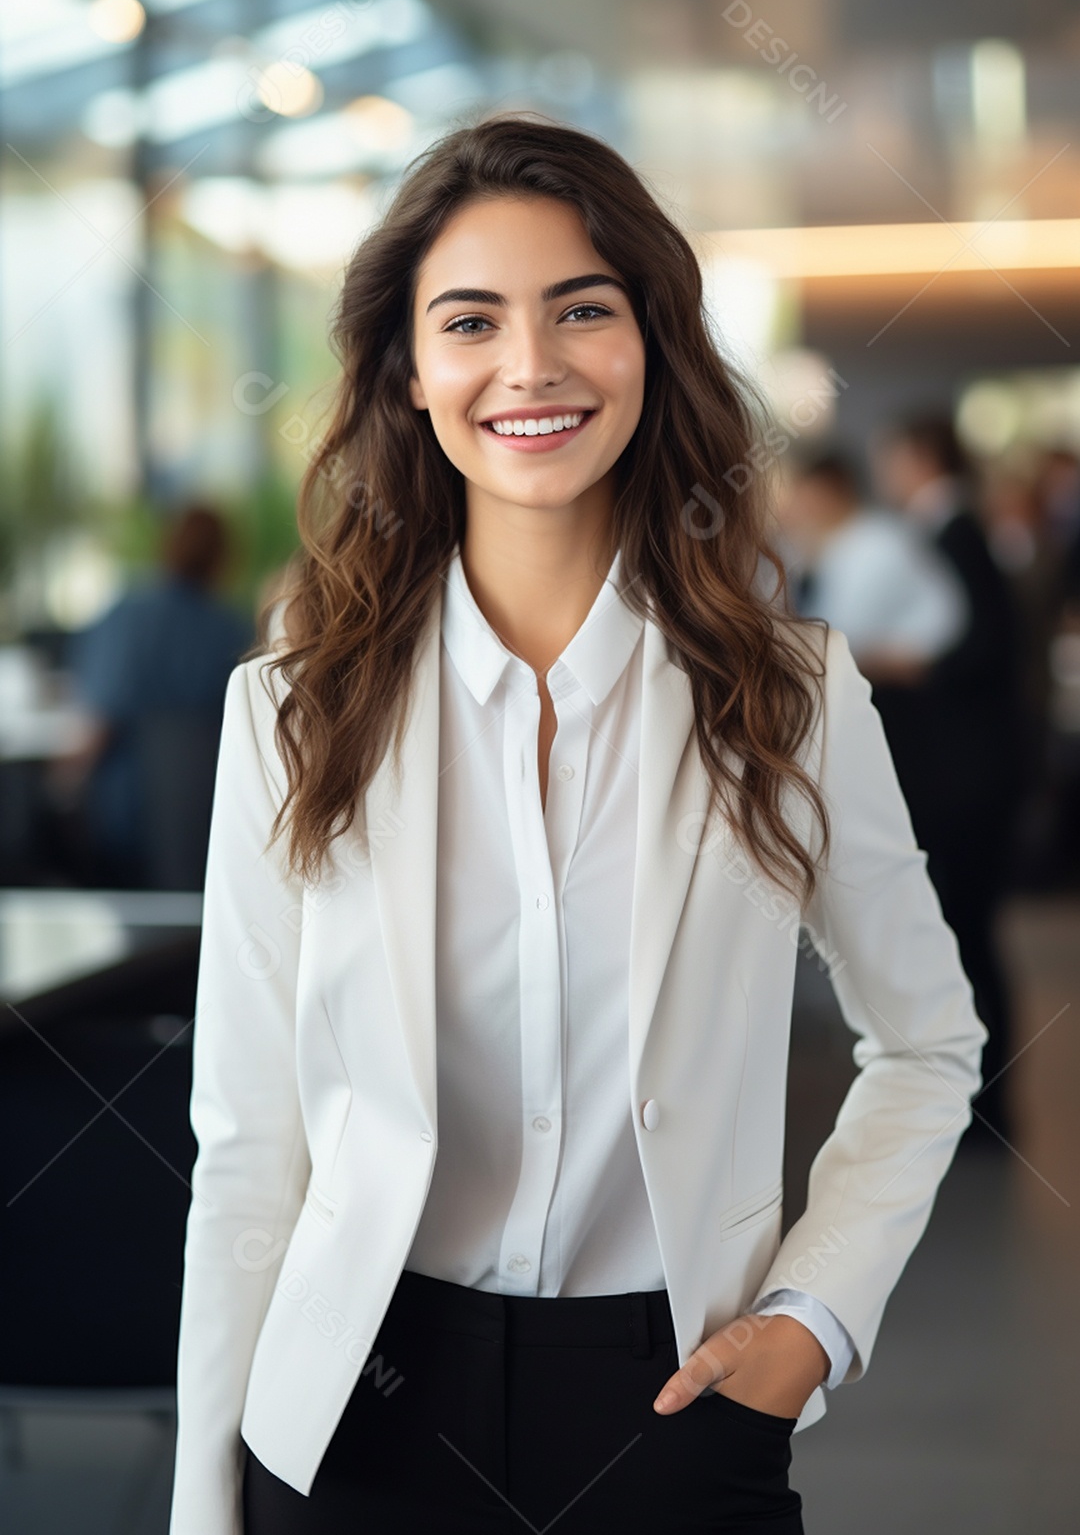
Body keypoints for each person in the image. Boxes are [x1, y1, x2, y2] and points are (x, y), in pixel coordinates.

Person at [169, 119, 987, 1535]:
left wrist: (810, 1322)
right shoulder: (294, 712)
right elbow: (249, 1140)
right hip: (356, 1404)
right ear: (411, 376)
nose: (530, 366)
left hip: (676, 1402)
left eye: (583, 312)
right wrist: (202, 1500)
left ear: (653, 347)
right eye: (471, 321)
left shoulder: (791, 697)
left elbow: (929, 1045)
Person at [871, 417, 1024, 1148]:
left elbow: (983, 649)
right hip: (966, 772)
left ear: (916, 454)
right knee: (964, 932)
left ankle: (985, 1105)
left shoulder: (955, 533)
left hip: (966, 776)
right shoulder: (950, 531)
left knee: (965, 934)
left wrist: (907, 665)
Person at [69, 505, 251, 887]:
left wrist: (60, 786)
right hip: (210, 825)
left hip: (128, 828)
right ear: (223, 559)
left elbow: (97, 730)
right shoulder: (236, 633)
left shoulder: (127, 618)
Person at [777, 450, 968, 683]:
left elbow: (843, 633)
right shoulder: (842, 544)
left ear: (828, 493)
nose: (794, 508)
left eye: (803, 495)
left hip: (928, 687)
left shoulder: (877, 543)